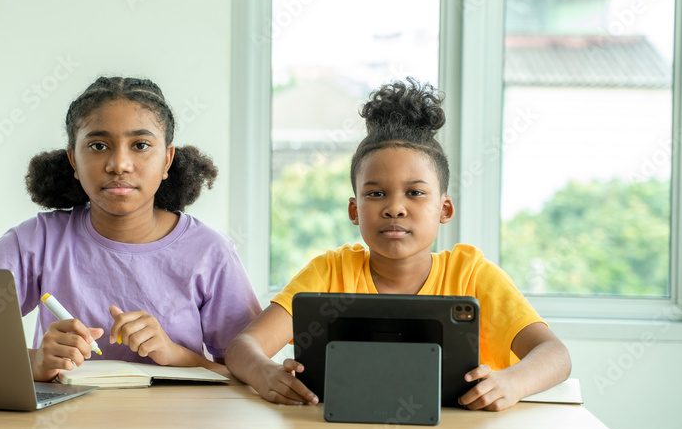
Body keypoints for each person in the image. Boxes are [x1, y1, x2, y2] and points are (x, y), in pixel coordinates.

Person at [225, 78, 571, 411]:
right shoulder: (330, 271)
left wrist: (512, 383)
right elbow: (243, 346)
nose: (394, 207)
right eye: (375, 194)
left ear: (444, 208)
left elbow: (555, 356)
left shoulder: (473, 276)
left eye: (415, 193)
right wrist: (264, 373)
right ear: (354, 210)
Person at [0, 76, 261, 382]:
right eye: (98, 146)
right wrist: (32, 361)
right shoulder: (35, 242)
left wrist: (176, 354)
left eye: (140, 145)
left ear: (167, 159)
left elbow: (248, 379)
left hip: (174, 427)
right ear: (73, 159)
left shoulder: (210, 253)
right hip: (61, 427)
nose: (119, 164)